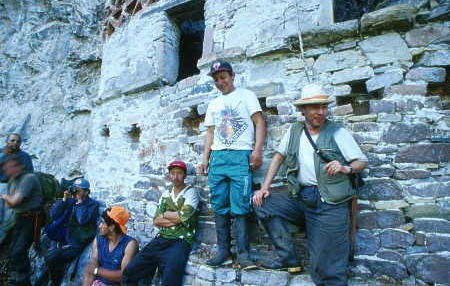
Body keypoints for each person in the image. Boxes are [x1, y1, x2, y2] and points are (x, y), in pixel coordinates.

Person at [252, 84, 368, 284]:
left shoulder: (337, 133)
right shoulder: (294, 131)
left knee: (326, 269)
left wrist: (345, 168)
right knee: (260, 203)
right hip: (301, 197)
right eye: (315, 107)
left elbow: (362, 162)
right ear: (302, 110)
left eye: (324, 107)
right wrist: (264, 187)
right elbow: (279, 157)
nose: (321, 112)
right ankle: (289, 259)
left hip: (331, 202)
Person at [200, 60, 266, 269]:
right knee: (219, 204)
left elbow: (259, 122)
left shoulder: (246, 95)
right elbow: (210, 132)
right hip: (218, 157)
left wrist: (257, 151)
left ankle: (243, 254)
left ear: (232, 76)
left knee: (241, 204)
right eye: (216, 79)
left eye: (223, 77)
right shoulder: (213, 104)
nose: (220, 82)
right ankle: (223, 251)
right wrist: (205, 158)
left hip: (240, 156)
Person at [122, 160, 200, 286]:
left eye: (179, 173)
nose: (175, 177)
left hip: (181, 240)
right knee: (130, 272)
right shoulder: (166, 194)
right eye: (172, 173)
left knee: (170, 280)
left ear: (185, 175)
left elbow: (182, 217)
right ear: (168, 175)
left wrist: (166, 214)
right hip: (161, 239)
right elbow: (156, 220)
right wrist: (177, 219)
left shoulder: (191, 192)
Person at [44, 178, 100, 285]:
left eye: (79, 190)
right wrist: (64, 200)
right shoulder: (71, 201)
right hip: (66, 236)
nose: (76, 192)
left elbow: (82, 220)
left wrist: (80, 202)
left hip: (76, 243)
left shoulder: (93, 204)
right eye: (75, 189)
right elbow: (54, 214)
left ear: (86, 192)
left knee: (52, 257)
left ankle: (55, 281)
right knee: (47, 260)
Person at [0, 155, 42, 286]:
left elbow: (13, 201)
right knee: (12, 250)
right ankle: (14, 281)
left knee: (19, 252)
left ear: (20, 166)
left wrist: (5, 196)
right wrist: (10, 200)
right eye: (7, 169)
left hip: (32, 217)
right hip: (21, 217)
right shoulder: (13, 181)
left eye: (12, 167)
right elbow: (9, 205)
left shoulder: (28, 178)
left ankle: (24, 283)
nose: (9, 171)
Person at [82, 206, 138, 286]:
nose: (99, 226)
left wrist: (96, 270)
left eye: (102, 222)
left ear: (112, 227)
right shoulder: (98, 240)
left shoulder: (130, 245)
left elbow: (123, 276)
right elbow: (90, 269)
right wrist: (93, 270)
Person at [0, 133, 34, 244]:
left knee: (8, 219)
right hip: (1, 184)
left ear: (21, 143)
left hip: (15, 188)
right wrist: (4, 155)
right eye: (12, 140)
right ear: (7, 142)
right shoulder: (1, 152)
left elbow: (30, 174)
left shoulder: (25, 156)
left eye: (18, 141)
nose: (15, 143)